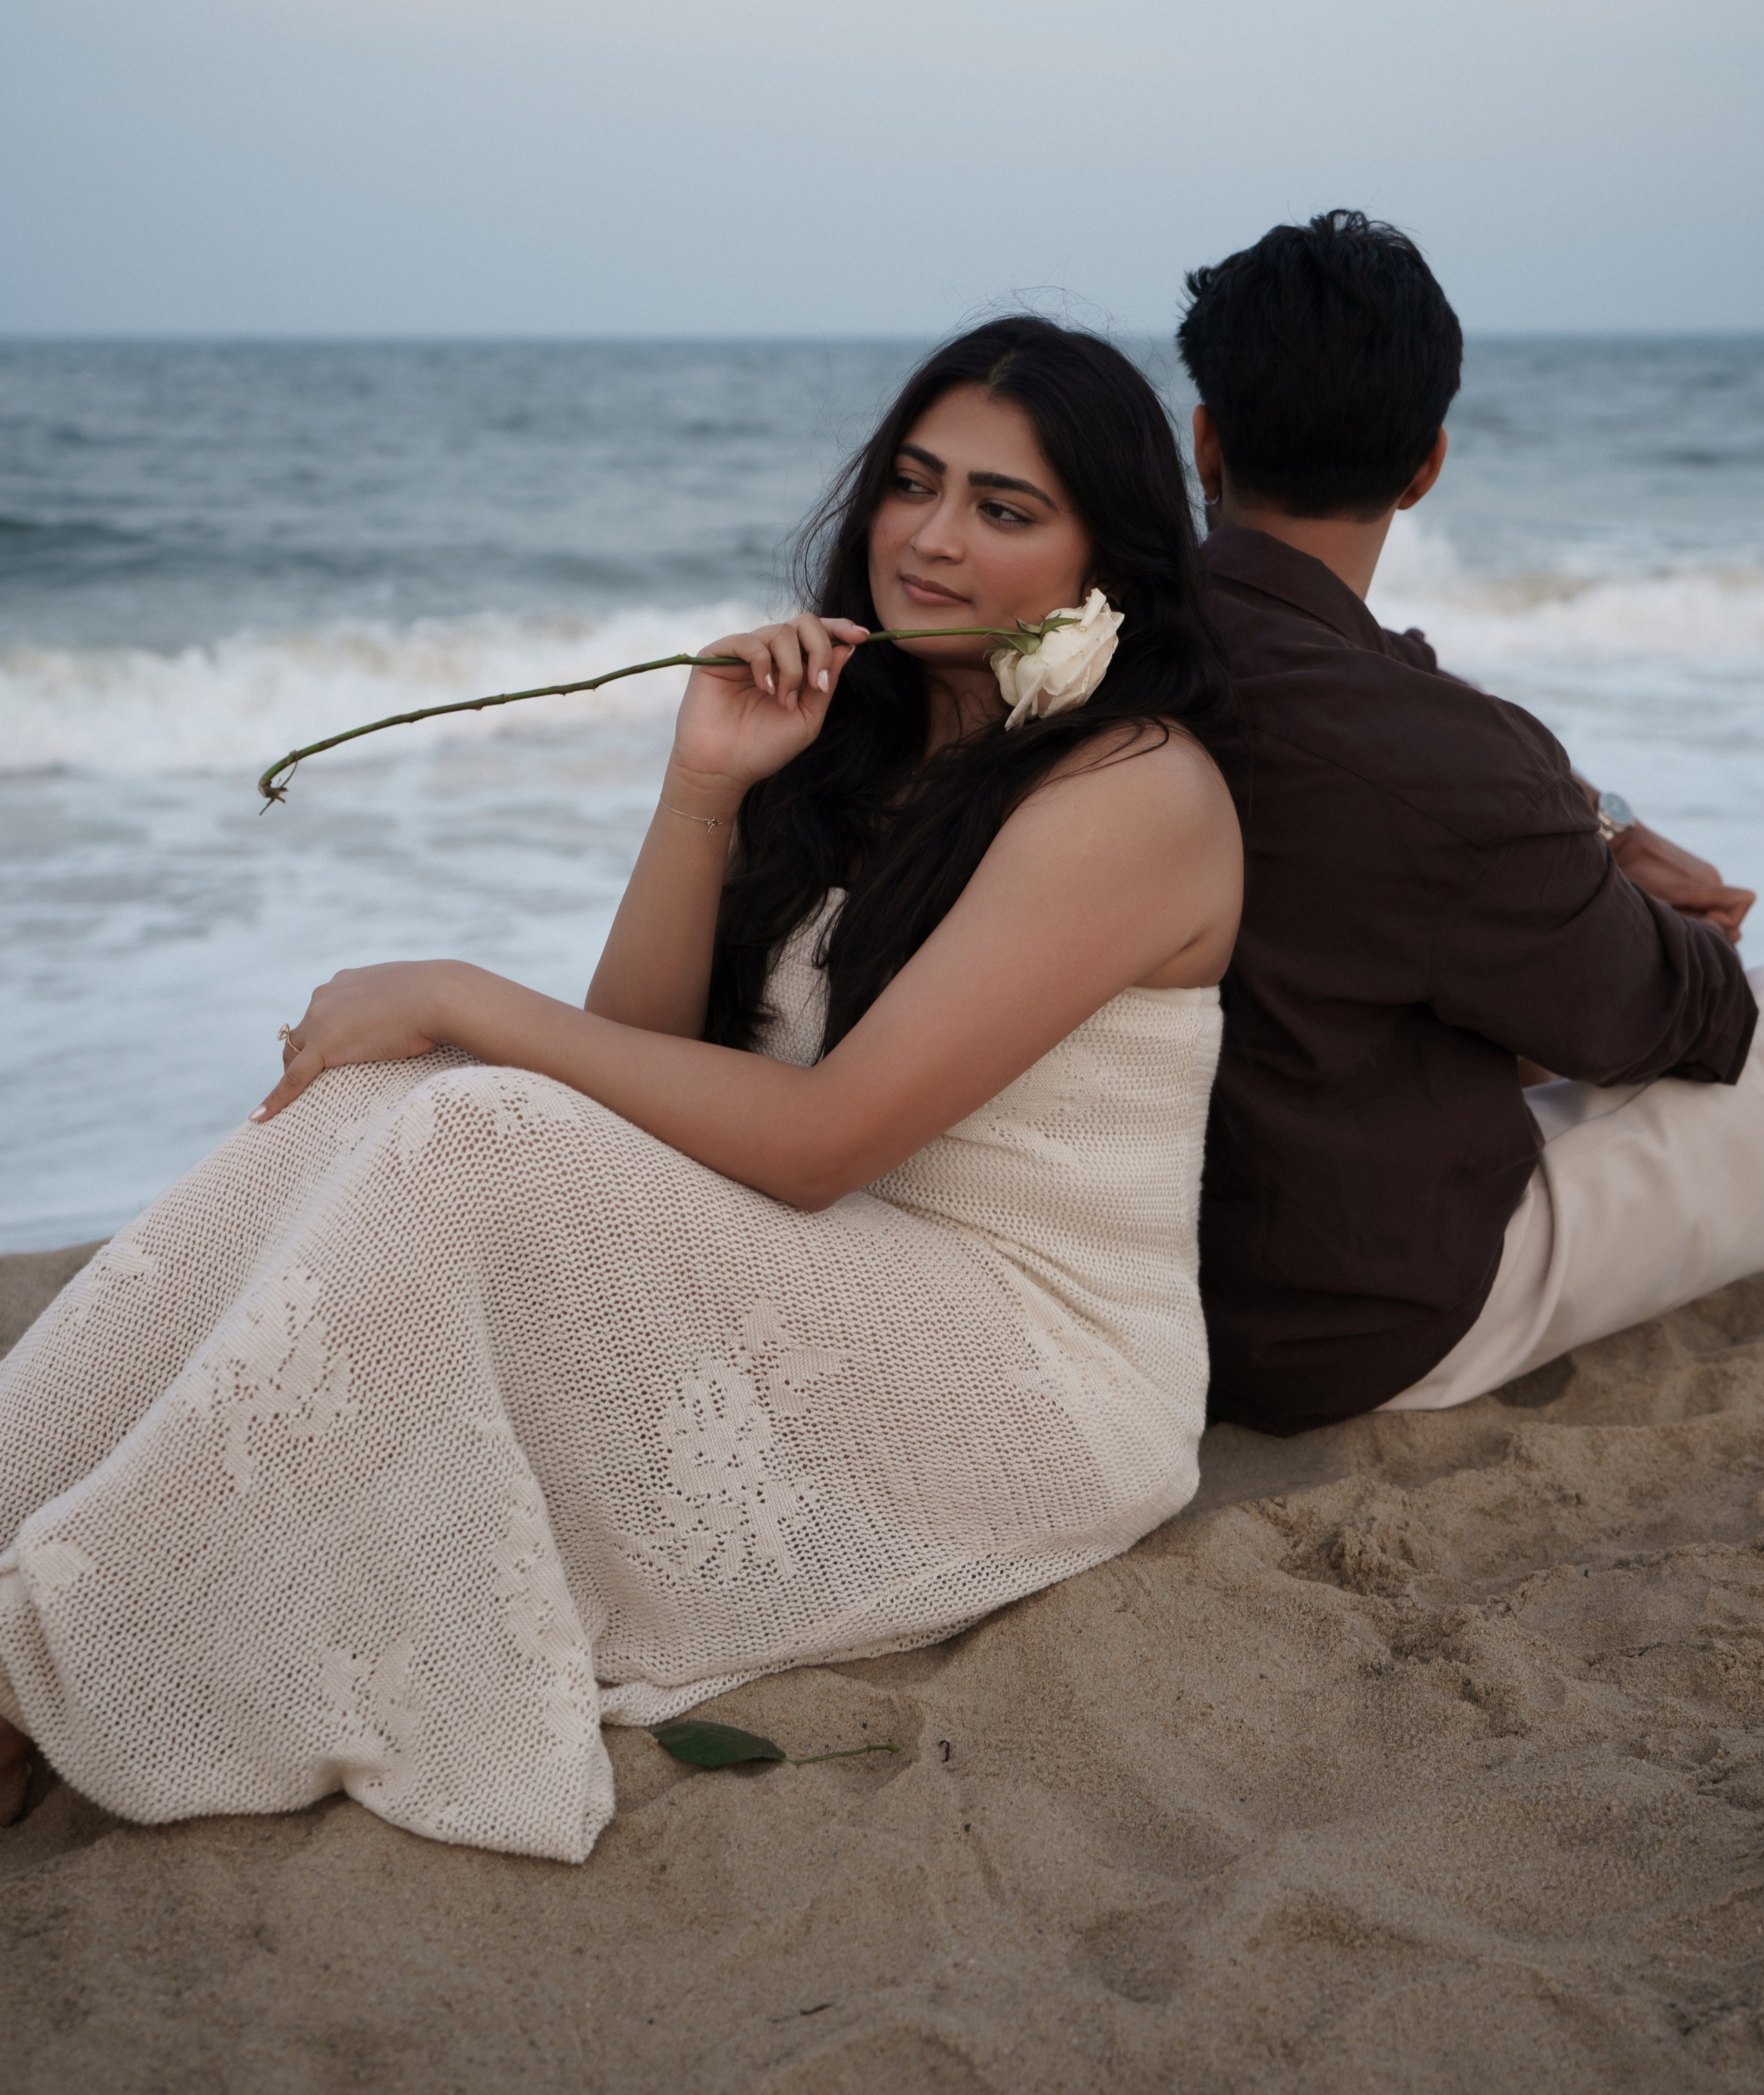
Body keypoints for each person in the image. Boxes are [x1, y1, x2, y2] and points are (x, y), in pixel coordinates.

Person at [0, 320, 1241, 1859]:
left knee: (467, 1108)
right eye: (911, 484)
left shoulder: (1130, 791)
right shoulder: (858, 736)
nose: (926, 539)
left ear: (1100, 560)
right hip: (839, 1265)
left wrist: (461, 992)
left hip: (1033, 1362)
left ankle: (43, 1662)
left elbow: (816, 1141)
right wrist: (703, 790)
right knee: (373, 1105)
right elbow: (636, 1066)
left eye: (1002, 509)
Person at [1178, 210, 1759, 1435]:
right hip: (1360, 1319)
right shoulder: (1444, 764)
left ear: (1206, 440)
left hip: (1157, 1300)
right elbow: (1682, 1024)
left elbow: (1406, 700)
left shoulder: (1107, 645)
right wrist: (1672, 933)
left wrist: (1597, 836)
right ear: (1427, 464)